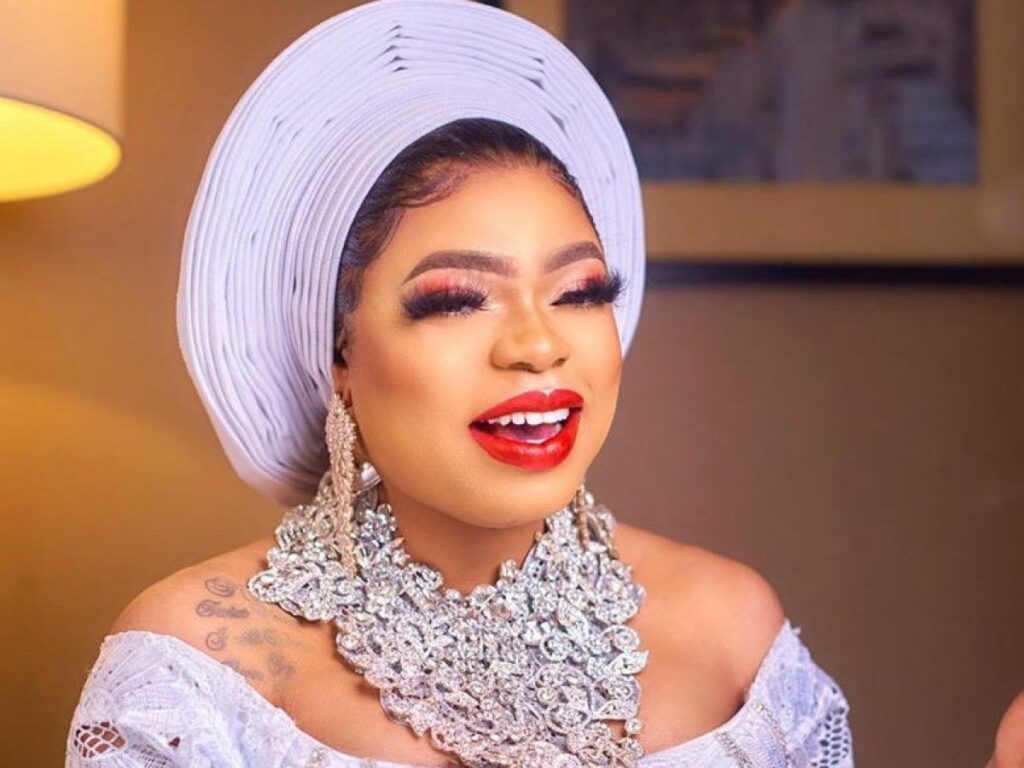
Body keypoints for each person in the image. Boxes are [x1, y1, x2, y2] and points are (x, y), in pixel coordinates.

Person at [60, 1, 1018, 766]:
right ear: (339, 356)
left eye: (579, 291)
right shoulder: (205, 665)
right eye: (456, 300)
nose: (537, 344)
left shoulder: (732, 631)